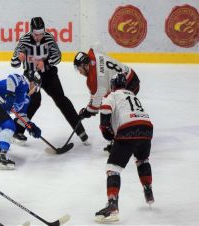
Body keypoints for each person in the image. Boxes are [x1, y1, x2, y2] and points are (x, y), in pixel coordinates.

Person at [11, 17, 88, 144]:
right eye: (36, 34)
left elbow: (58, 57)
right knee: (33, 101)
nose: (39, 36)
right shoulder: (24, 40)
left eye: (41, 33)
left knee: (61, 99)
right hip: (31, 76)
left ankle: (80, 130)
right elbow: (13, 63)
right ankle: (18, 131)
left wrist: (45, 62)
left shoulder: (49, 38)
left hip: (48, 74)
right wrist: (18, 58)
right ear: (31, 31)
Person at [94, 73, 154, 223]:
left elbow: (105, 111)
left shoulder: (112, 95)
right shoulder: (133, 95)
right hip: (147, 129)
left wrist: (105, 129)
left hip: (129, 129)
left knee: (113, 168)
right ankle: (148, 191)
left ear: (113, 85)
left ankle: (113, 205)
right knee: (142, 160)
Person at [73, 44, 140, 151]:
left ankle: (122, 142)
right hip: (130, 76)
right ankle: (123, 139)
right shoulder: (93, 52)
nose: (80, 72)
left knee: (115, 113)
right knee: (115, 109)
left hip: (129, 83)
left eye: (79, 69)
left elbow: (95, 105)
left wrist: (86, 112)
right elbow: (97, 45)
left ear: (85, 65)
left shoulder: (94, 80)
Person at [0, 72, 42, 170]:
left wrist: (30, 126)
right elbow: (12, 78)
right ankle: (1, 158)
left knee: (5, 122)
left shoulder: (26, 99)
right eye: (36, 87)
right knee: (9, 126)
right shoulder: (24, 81)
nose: (35, 90)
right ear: (32, 82)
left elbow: (21, 115)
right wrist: (10, 94)